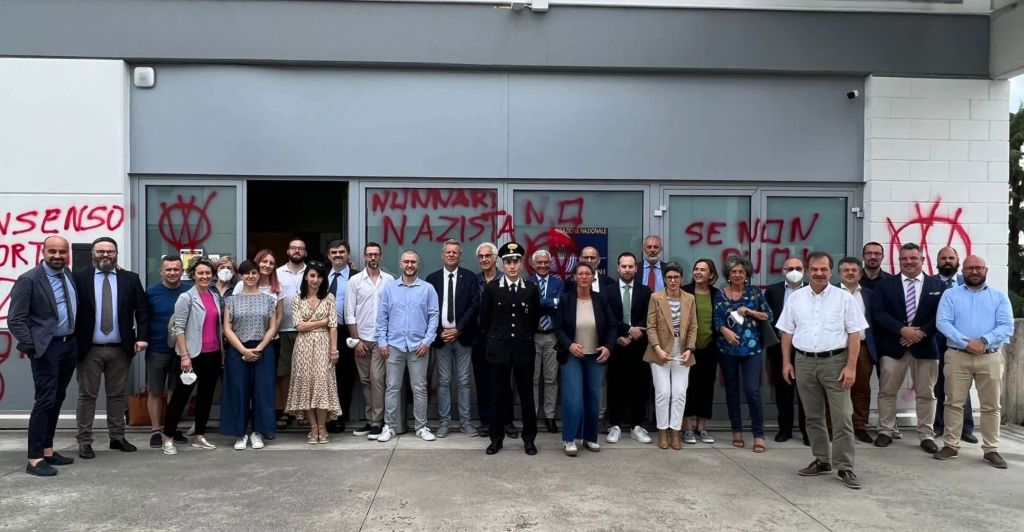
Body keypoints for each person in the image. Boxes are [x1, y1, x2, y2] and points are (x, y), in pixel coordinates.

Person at [779, 251, 869, 490]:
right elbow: (787, 332)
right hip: (804, 362)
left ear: (831, 271)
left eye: (824, 269)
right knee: (813, 416)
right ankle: (821, 460)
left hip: (835, 363)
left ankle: (844, 466)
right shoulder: (796, 298)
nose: (819, 273)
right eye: (814, 269)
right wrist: (787, 362)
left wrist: (851, 367)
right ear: (807, 271)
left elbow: (854, 334)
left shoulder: (844, 298)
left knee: (842, 417)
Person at [73, 237, 150, 459]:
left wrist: (142, 337)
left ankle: (117, 437)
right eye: (100, 251)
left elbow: (142, 311)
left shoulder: (130, 279)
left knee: (117, 395)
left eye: (110, 251)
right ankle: (85, 441)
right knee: (87, 396)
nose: (105, 255)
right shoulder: (78, 278)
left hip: (120, 349)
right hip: (89, 349)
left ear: (116, 254)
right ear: (92, 253)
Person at [934, 255, 1014, 468]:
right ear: (963, 271)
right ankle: (951, 445)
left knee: (991, 405)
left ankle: (991, 449)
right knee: (953, 403)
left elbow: (1006, 325)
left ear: (986, 270)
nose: (974, 271)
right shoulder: (951, 294)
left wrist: (984, 341)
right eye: (970, 268)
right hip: (957, 355)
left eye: (979, 267)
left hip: (990, 357)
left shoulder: (999, 296)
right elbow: (942, 322)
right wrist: (966, 342)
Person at [8, 235, 78, 476]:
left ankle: (48, 450)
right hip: (46, 348)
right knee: (45, 400)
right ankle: (35, 458)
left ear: (67, 253)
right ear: (43, 251)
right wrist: (34, 346)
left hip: (68, 345)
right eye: (52, 251)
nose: (57, 256)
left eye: (62, 251)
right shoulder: (29, 279)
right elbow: (15, 319)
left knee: (57, 398)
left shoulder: (67, 274)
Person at [872, 242, 945, 453]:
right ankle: (885, 431)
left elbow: (942, 315)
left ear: (922, 260)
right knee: (887, 392)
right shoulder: (885, 285)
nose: (908, 262)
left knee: (926, 394)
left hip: (926, 348)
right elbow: (878, 313)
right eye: (904, 258)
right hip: (893, 347)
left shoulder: (938, 286)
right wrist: (902, 330)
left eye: (913, 258)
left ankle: (926, 435)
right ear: (899, 261)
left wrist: (921, 333)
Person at [480, 241, 541, 456]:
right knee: (497, 396)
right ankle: (496, 439)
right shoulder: (492, 288)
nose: (512, 266)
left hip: (523, 349)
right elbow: (485, 320)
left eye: (515, 261)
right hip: (498, 349)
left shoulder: (531, 289)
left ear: (522, 264)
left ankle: (529, 439)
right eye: (508, 262)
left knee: (526, 397)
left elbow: (534, 319)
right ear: (502, 265)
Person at [376, 251, 440, 442]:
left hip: (418, 347)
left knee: (419, 388)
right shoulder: (390, 289)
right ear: (400, 264)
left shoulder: (427, 289)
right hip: (393, 346)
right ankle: (389, 427)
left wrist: (427, 341)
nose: (409, 265)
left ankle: (421, 427)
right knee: (392, 388)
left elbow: (434, 315)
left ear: (418, 264)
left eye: (413, 262)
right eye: (406, 261)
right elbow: (382, 317)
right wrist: (382, 341)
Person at [554, 263, 617, 456]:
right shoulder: (566, 299)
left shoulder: (601, 299)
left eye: (587, 274)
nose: (583, 277)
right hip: (572, 355)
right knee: (574, 399)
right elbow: (558, 328)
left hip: (595, 356)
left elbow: (612, 326)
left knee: (593, 399)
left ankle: (590, 437)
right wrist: (569, 345)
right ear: (574, 277)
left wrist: (608, 347)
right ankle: (569, 439)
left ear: (593, 277)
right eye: (580, 273)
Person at [161, 258, 223, 455]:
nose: (204, 276)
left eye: (208, 273)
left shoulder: (214, 296)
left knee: (205, 397)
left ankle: (199, 435)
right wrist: (184, 356)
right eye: (200, 273)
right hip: (191, 355)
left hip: (212, 353)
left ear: (212, 276)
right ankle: (168, 438)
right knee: (180, 398)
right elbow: (179, 328)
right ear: (193, 275)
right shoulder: (186, 297)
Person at [714, 255, 772, 453]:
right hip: (727, 349)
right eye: (734, 272)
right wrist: (725, 331)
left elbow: (769, 315)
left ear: (747, 275)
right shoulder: (721, 294)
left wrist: (750, 312)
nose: (737, 275)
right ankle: (736, 431)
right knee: (731, 390)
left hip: (752, 349)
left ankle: (759, 434)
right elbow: (716, 319)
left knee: (752, 390)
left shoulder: (754, 293)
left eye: (741, 271)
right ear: (728, 275)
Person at [221, 260, 279, 450]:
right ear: (241, 276)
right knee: (238, 391)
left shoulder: (268, 299)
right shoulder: (231, 301)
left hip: (263, 349)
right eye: (246, 273)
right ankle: (240, 433)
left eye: (254, 273)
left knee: (262, 392)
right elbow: (227, 329)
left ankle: (258, 432)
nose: (250, 276)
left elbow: (272, 328)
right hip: (238, 349)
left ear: (258, 275)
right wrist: (243, 350)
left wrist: (260, 348)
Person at [426, 240, 480, 437]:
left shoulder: (470, 277)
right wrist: (440, 330)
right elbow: (428, 308)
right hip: (442, 338)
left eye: (454, 252)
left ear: (460, 256)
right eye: (447, 252)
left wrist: (458, 329)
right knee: (443, 381)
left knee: (464, 381)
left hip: (463, 337)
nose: (451, 255)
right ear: (442, 255)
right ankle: (444, 422)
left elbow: (474, 305)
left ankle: (465, 422)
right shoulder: (432, 279)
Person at [285, 261, 341, 444]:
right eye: (312, 275)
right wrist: (321, 322)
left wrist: (334, 350)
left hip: (324, 345)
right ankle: (313, 427)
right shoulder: (297, 299)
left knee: (322, 384)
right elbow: (299, 326)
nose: (315, 280)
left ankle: (323, 427)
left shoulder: (329, 298)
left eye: (319, 276)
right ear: (306, 277)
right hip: (303, 346)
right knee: (306, 385)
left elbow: (333, 326)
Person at [645, 263, 697, 450]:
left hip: (681, 349)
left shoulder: (689, 298)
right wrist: (657, 348)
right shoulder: (656, 297)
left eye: (676, 277)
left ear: (681, 279)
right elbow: (650, 326)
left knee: (680, 392)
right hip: (660, 349)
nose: (673, 280)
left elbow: (693, 327)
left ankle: (675, 431)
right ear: (665, 279)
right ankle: (662, 431)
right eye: (669, 277)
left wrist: (689, 349)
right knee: (663, 392)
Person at [345, 242, 395, 440]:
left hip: (381, 340)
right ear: (365, 257)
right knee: (365, 381)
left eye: (376, 254)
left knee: (377, 379)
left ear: (381, 257)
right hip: (362, 338)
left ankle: (377, 422)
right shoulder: (355, 281)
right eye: (369, 254)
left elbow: (393, 310)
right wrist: (356, 341)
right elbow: (349, 312)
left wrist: (387, 340)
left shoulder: (389, 280)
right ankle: (370, 419)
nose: (373, 258)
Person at [606, 252, 653, 445]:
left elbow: (648, 318)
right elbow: (608, 318)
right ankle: (614, 425)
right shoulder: (607, 291)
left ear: (636, 268)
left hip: (638, 346)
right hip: (616, 345)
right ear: (618, 268)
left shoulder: (645, 291)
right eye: (624, 266)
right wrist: (626, 331)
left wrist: (631, 337)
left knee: (639, 386)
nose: (627, 270)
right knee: (615, 385)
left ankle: (636, 426)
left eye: (630, 266)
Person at [932, 246, 977, 444]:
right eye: (943, 258)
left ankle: (965, 428)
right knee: (938, 386)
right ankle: (939, 425)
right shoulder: (929, 283)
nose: (947, 261)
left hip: (962, 342)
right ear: (937, 261)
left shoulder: (967, 283)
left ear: (958, 261)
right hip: (936, 342)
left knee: (962, 387)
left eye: (951, 257)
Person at [145, 256, 192, 448]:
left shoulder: (190, 291)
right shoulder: (151, 292)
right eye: (168, 269)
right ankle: (156, 430)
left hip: (183, 350)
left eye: (176, 269)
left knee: (176, 391)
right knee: (156, 390)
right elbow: (143, 318)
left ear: (182, 271)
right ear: (161, 272)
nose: (172, 273)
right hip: (157, 348)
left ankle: (171, 428)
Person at [837, 257, 879, 444]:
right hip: (837, 348)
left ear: (860, 274)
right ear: (839, 274)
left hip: (863, 348)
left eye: (854, 270)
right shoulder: (831, 293)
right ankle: (832, 426)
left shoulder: (870, 294)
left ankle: (859, 426)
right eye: (846, 270)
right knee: (835, 388)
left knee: (861, 388)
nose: (850, 273)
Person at [764, 257, 806, 444]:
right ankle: (785, 429)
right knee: (783, 391)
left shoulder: (811, 290)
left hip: (806, 348)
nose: (794, 272)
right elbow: (767, 319)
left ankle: (807, 431)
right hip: (780, 348)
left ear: (804, 270)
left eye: (798, 268)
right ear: (783, 271)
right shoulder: (773, 291)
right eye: (790, 268)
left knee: (807, 392)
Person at [681, 258, 722, 445]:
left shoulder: (716, 294)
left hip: (709, 347)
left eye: (703, 270)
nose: (698, 272)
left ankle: (702, 426)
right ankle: (687, 427)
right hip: (687, 348)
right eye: (696, 269)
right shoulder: (684, 292)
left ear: (711, 274)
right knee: (687, 386)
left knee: (706, 387)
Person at [472, 242, 506, 438]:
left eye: (488, 256)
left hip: (502, 338)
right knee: (483, 380)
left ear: (495, 259)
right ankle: (486, 421)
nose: (484, 259)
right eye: (481, 256)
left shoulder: (504, 279)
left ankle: (506, 421)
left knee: (503, 380)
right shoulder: (474, 280)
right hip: (480, 337)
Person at [325, 239, 359, 434]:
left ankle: (340, 417)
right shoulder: (321, 276)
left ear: (348, 255)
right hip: (323, 332)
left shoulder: (357, 276)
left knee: (345, 376)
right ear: (329, 256)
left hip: (347, 332)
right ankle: (326, 416)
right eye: (334, 252)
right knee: (325, 376)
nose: (338, 255)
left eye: (341, 252)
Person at [530, 248, 563, 434]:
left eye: (546, 262)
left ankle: (550, 416)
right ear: (533, 264)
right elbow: (530, 306)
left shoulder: (558, 282)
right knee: (533, 378)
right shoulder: (527, 282)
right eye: (539, 262)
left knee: (551, 378)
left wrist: (540, 303)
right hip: (533, 336)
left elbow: (561, 304)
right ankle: (532, 415)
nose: (543, 265)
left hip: (552, 335)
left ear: (550, 264)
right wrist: (551, 302)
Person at [275, 239, 308, 428]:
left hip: (307, 330)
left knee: (305, 373)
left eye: (300, 248)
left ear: (305, 252)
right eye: (293, 248)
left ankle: (303, 411)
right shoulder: (277, 273)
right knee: (285, 372)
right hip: (283, 329)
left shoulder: (311, 272)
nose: (297, 251)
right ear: (288, 251)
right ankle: (287, 410)